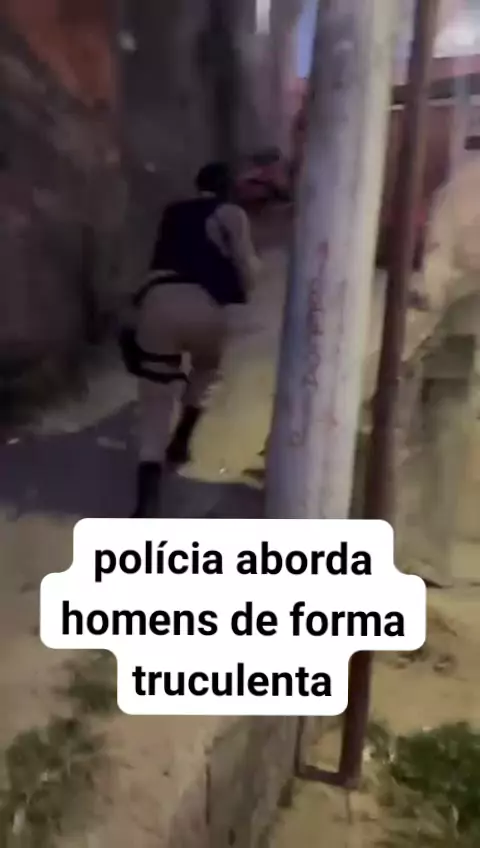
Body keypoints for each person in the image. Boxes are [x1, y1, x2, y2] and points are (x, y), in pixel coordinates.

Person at [120, 162, 259, 517]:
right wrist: (244, 290)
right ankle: (182, 437)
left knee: (155, 400)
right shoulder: (231, 214)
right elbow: (247, 268)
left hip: (157, 300)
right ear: (228, 188)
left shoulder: (172, 212)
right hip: (206, 306)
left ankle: (147, 501)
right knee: (206, 369)